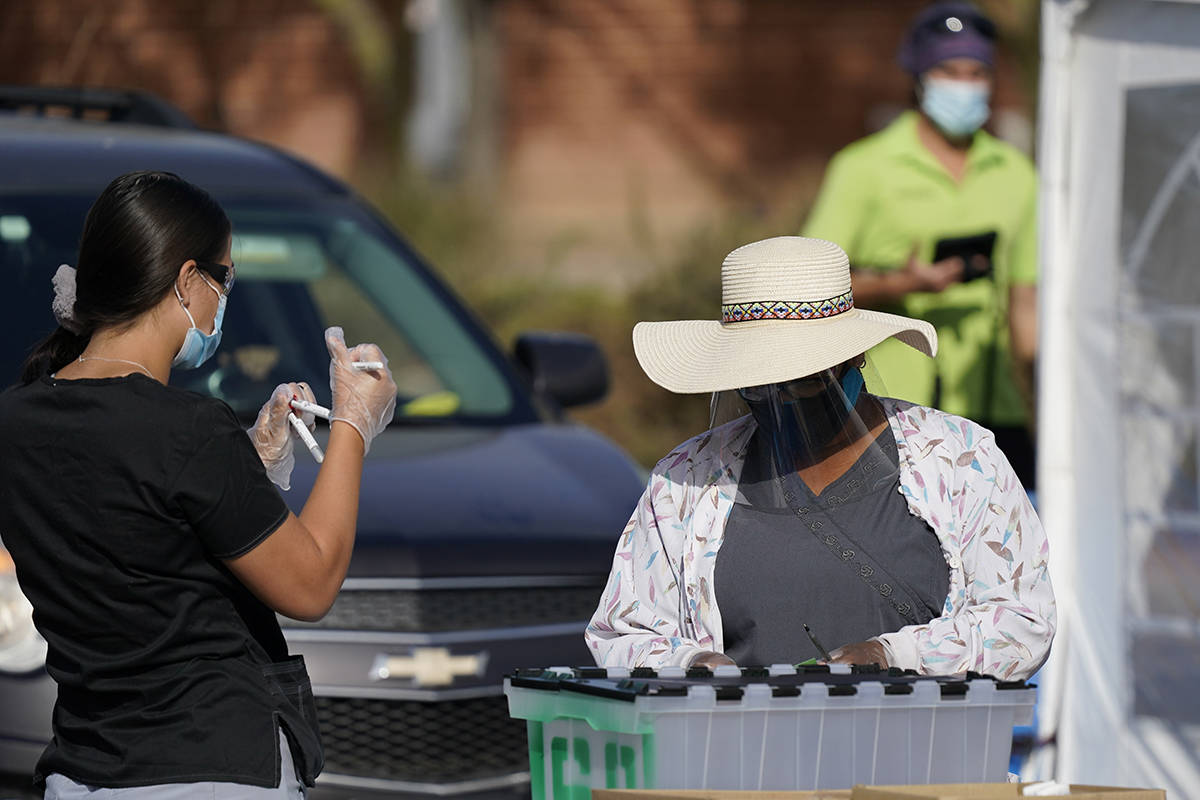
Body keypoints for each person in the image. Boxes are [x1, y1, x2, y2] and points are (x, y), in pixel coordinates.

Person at [0, 171, 398, 798]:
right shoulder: (186, 429)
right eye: (225, 279)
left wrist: (248, 463)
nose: (224, 299)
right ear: (186, 281)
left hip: (86, 769)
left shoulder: (15, 420)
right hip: (213, 767)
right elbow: (311, 583)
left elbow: (137, 524)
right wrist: (353, 424)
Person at [585, 236, 1054, 680]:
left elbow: (1022, 621)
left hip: (922, 757)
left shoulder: (958, 459)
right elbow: (623, 630)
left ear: (855, 360)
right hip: (743, 757)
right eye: (760, 384)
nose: (782, 399)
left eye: (805, 381)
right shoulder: (688, 480)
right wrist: (690, 664)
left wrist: (897, 656)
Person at [801, 2, 1039, 489]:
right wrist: (903, 283)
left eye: (977, 72)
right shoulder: (863, 167)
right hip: (890, 405)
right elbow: (807, 283)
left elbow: (1025, 302)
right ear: (919, 77)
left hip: (993, 407)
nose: (965, 84)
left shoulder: (1017, 172)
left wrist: (1042, 402)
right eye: (950, 71)